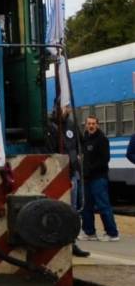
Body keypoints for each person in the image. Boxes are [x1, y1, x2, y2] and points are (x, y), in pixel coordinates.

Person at [46, 106, 89, 257]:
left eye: (67, 107)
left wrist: (78, 157)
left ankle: (72, 242)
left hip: (72, 173)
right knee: (57, 209)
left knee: (72, 209)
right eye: (63, 106)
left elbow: (81, 143)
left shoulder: (72, 125)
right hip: (55, 173)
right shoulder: (49, 126)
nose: (65, 109)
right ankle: (55, 241)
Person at [80, 115, 120, 241]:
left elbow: (105, 160)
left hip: (98, 178)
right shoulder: (85, 139)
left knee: (103, 205)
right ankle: (89, 232)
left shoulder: (102, 139)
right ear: (85, 125)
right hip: (87, 178)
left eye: (93, 123)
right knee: (86, 206)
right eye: (89, 123)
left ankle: (112, 233)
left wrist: (89, 169)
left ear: (97, 125)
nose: (91, 126)